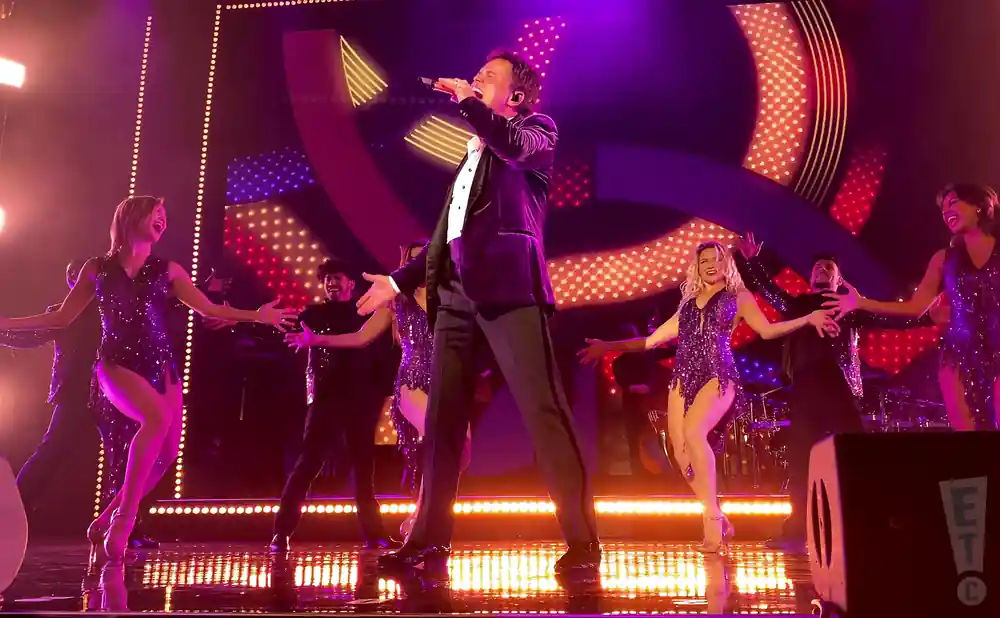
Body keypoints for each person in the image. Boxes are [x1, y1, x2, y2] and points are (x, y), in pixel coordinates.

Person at [355, 50, 600, 576]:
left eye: (488, 77)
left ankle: (583, 542)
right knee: (442, 422)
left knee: (543, 411)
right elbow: (446, 234)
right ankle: (427, 540)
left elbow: (510, 144)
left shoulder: (535, 131)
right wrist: (399, 281)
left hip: (511, 286)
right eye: (476, 75)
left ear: (512, 95)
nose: (475, 77)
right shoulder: (471, 154)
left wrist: (469, 102)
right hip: (455, 294)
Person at [0, 196, 296, 560]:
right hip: (115, 364)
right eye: (156, 214)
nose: (162, 221)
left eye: (164, 217)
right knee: (155, 421)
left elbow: (208, 307)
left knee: (167, 452)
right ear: (131, 218)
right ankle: (122, 523)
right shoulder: (96, 268)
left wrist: (258, 316)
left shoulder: (168, 270)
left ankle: (103, 520)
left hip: (161, 365)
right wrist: (6, 323)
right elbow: (61, 318)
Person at [579, 241, 837, 553]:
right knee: (682, 455)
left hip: (719, 375)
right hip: (683, 380)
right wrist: (607, 346)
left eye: (716, 259)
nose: (711, 264)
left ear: (725, 264)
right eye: (705, 261)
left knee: (693, 432)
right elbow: (650, 341)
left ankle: (711, 522)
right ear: (697, 267)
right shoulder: (687, 304)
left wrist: (807, 319)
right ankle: (720, 517)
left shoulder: (738, 297)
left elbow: (767, 331)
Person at [733, 233, 939, 552]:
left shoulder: (848, 307)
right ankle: (797, 530)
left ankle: (867, 522)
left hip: (839, 387)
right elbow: (771, 293)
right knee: (801, 459)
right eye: (817, 268)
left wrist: (927, 316)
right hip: (804, 387)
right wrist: (752, 262)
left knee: (854, 456)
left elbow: (890, 319)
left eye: (828, 268)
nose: (821, 271)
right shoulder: (799, 305)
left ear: (839, 277)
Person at [285, 241, 474, 541]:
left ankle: (418, 514)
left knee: (460, 453)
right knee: (439, 438)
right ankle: (427, 524)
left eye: (425, 259)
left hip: (446, 382)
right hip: (412, 382)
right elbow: (360, 337)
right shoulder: (396, 300)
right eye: (413, 260)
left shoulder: (452, 297)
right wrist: (316, 342)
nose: (421, 264)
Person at [825, 183, 999, 431]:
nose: (945, 212)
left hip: (997, 346)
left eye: (953, 203)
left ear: (980, 206)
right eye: (942, 209)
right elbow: (916, 307)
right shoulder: (943, 259)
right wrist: (861, 302)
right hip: (959, 356)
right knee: (971, 437)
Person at [270, 257, 400, 553]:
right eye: (327, 278)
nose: (331, 282)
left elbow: (370, 345)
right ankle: (281, 532)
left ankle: (374, 535)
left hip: (361, 398)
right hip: (326, 398)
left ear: (350, 283)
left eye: (337, 276)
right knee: (308, 464)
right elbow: (288, 335)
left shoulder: (364, 311)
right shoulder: (312, 315)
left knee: (363, 468)